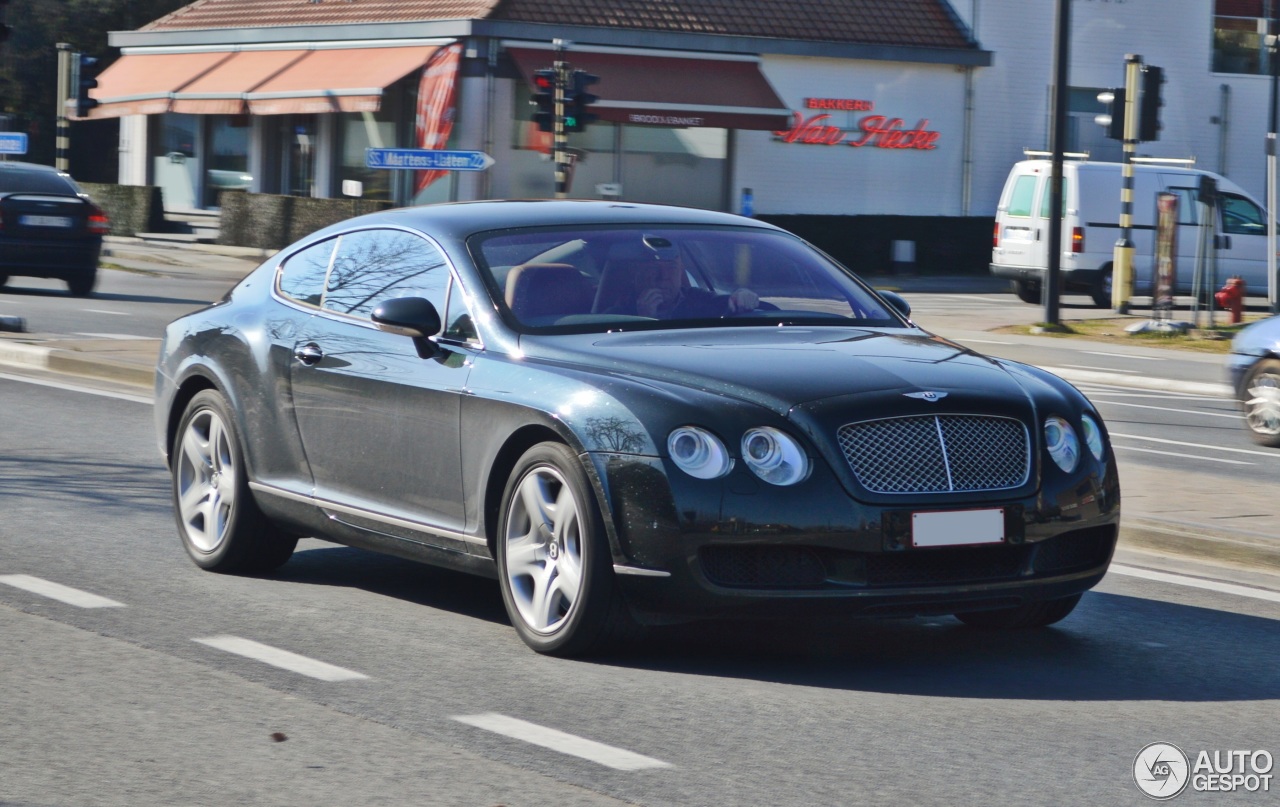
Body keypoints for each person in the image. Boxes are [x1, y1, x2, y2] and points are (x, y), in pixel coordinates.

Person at [628, 258, 759, 318]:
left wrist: (743, 296)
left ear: (680, 272)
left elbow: (727, 303)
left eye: (671, 267)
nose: (664, 276)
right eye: (654, 267)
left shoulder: (697, 300)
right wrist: (644, 318)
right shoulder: (619, 311)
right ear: (638, 275)